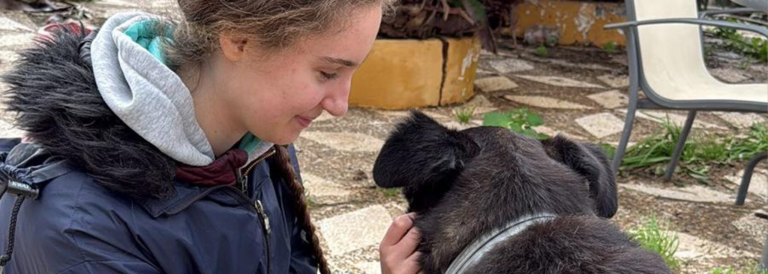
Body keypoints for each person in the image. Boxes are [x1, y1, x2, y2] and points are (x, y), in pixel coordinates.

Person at [0, 0, 421, 273]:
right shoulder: (81, 229)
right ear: (239, 39)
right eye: (328, 72)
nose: (340, 105)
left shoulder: (256, 144)